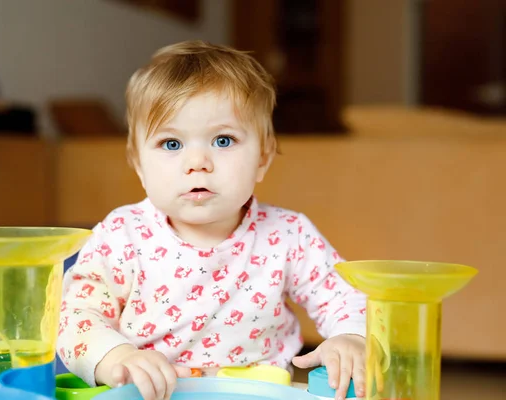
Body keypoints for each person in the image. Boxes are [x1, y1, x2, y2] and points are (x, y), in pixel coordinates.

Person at [57, 40, 367, 400]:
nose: (197, 162)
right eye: (171, 144)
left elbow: (346, 296)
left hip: (259, 394)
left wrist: (351, 337)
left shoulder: (288, 235)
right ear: (140, 166)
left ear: (263, 157)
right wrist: (115, 357)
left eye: (223, 140)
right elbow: (77, 316)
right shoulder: (121, 235)